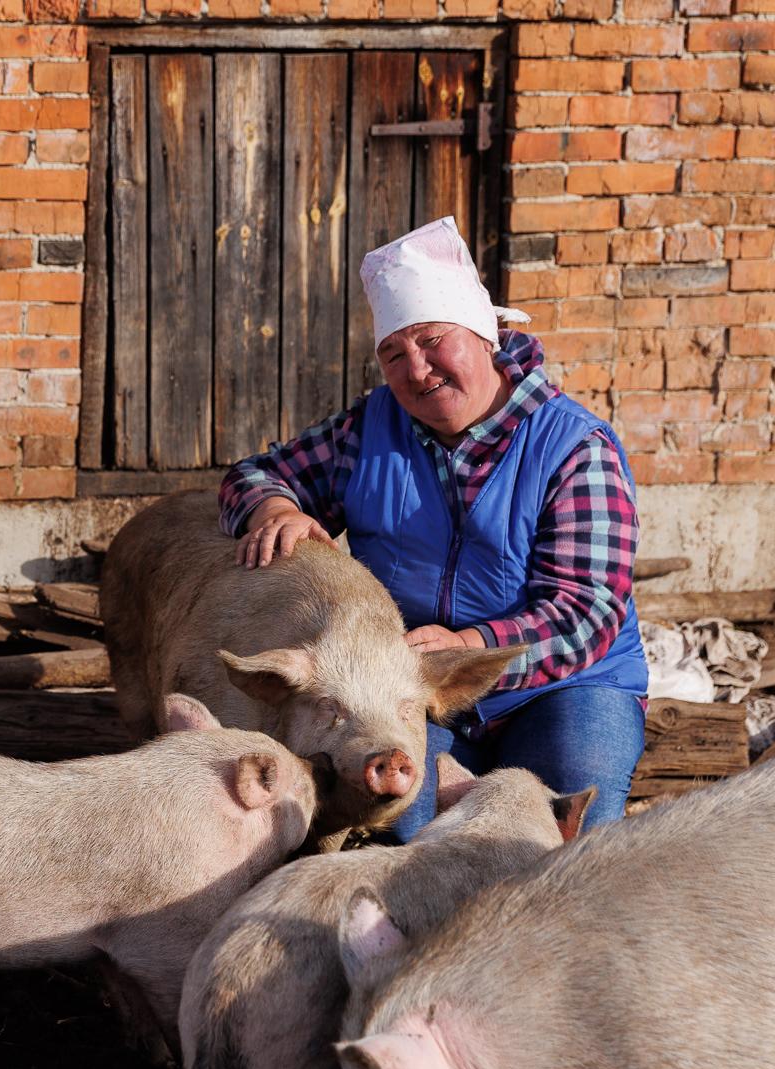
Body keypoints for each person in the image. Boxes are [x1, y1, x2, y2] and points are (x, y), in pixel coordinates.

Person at [218, 217, 647, 839]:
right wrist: (272, 508)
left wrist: (472, 647)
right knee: (398, 823)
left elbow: (587, 612)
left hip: (564, 684)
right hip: (412, 680)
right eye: (393, 353)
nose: (416, 370)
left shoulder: (574, 447)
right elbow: (253, 473)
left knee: (569, 818)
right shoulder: (370, 430)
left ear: (485, 336)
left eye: (432, 340)